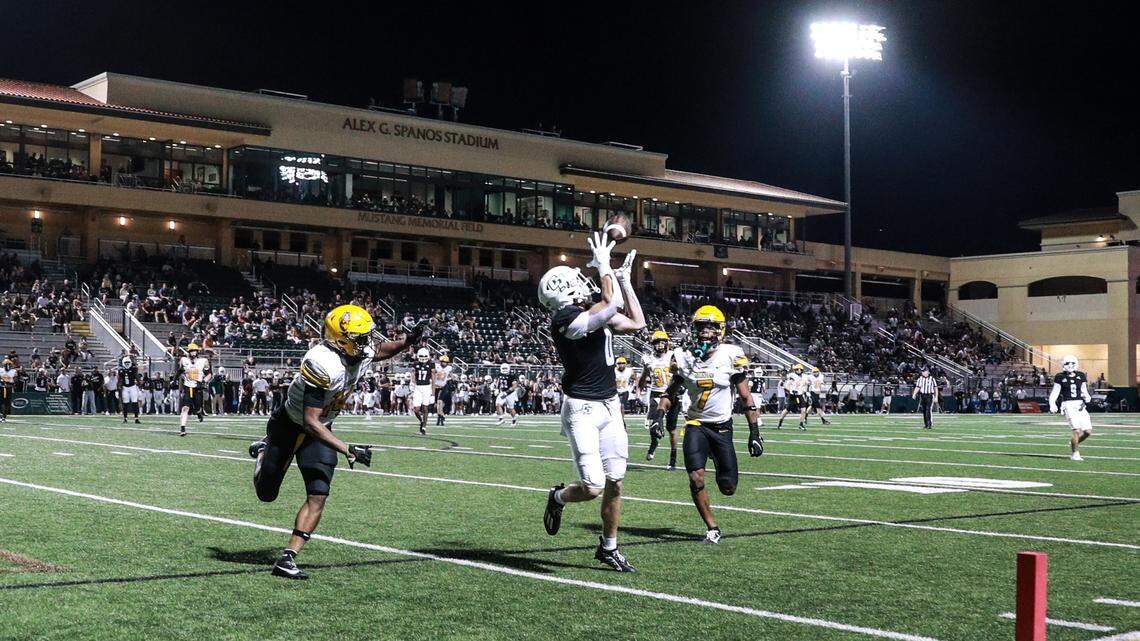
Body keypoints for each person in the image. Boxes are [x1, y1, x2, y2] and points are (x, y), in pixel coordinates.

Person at [248, 304, 423, 579]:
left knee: (318, 494)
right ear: (340, 339)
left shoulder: (357, 350)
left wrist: (407, 342)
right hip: (291, 426)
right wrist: (347, 449)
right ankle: (263, 451)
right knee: (266, 494)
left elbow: (380, 350)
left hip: (322, 428)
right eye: (360, 337)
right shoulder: (322, 363)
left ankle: (287, 558)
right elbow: (310, 422)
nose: (367, 342)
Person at [539, 232, 645, 572]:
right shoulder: (564, 321)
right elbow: (609, 306)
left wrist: (624, 281)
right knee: (593, 487)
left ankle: (609, 547)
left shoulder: (591, 308)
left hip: (610, 405)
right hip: (581, 409)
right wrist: (605, 268)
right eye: (575, 281)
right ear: (564, 292)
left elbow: (636, 322)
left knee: (616, 480)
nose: (583, 283)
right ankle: (557, 497)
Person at [651, 305, 763, 544]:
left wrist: (755, 432)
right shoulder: (683, 357)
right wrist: (659, 416)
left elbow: (746, 397)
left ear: (720, 330)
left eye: (711, 327)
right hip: (696, 424)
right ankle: (712, 527)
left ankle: (716, 457)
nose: (706, 331)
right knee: (696, 478)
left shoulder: (730, 355)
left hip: (722, 427)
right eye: (702, 326)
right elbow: (670, 392)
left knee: (728, 488)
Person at [639, 329, 679, 468]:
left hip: (672, 395)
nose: (660, 345)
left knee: (671, 429)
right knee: (653, 426)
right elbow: (644, 376)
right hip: (656, 395)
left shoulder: (674, 356)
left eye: (662, 342)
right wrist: (639, 388)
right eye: (657, 343)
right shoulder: (648, 359)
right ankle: (654, 443)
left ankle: (673, 459)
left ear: (667, 343)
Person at [1049, 355, 1093, 461]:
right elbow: (1055, 392)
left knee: (1087, 432)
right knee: (1076, 430)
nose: (1070, 365)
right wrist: (1052, 404)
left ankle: (1073, 443)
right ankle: (1075, 454)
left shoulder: (1081, 375)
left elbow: (1084, 390)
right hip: (1068, 404)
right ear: (1063, 365)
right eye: (1068, 363)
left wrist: (1087, 396)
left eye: (1072, 363)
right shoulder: (1060, 376)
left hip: (1080, 404)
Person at [177, 343, 210, 435]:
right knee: (185, 408)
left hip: (197, 387)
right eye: (191, 351)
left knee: (197, 408)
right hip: (187, 386)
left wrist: (204, 381)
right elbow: (180, 371)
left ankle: (199, 412)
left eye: (194, 351)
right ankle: (182, 428)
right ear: (188, 352)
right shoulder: (183, 360)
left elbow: (209, 374)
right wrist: (177, 379)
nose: (193, 353)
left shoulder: (203, 361)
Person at [410, 348, 434, 434]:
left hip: (427, 387)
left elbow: (433, 379)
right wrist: (413, 384)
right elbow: (412, 374)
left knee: (425, 407)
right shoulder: (415, 364)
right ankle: (421, 421)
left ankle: (424, 427)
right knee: (416, 409)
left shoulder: (431, 364)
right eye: (421, 356)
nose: (423, 358)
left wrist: (433, 394)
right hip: (418, 387)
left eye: (424, 356)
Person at [775, 365, 805, 429]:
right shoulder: (792, 375)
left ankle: (801, 424)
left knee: (803, 410)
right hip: (793, 395)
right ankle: (780, 422)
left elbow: (806, 384)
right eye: (797, 369)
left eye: (800, 369)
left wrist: (806, 391)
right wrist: (791, 390)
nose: (799, 370)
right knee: (787, 410)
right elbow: (786, 385)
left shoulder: (804, 376)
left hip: (800, 395)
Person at [118, 355, 142, 424]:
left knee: (135, 402)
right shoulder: (121, 370)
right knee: (125, 403)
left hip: (132, 387)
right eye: (125, 362)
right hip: (125, 387)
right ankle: (125, 418)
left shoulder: (134, 368)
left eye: (128, 362)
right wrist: (119, 388)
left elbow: (137, 377)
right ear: (123, 363)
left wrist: (140, 386)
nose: (127, 364)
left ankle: (136, 418)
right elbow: (120, 380)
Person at [433, 355, 453, 426]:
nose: (444, 363)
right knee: (436, 404)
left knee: (440, 401)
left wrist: (451, 378)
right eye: (443, 362)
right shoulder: (436, 366)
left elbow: (451, 375)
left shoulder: (449, 368)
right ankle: (441, 415)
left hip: (443, 386)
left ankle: (440, 416)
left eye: (445, 362)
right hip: (436, 387)